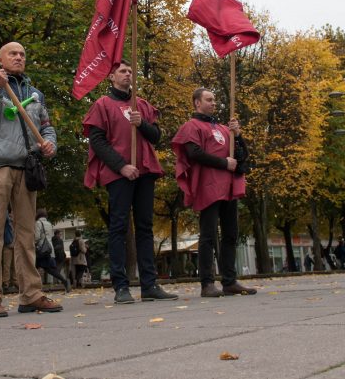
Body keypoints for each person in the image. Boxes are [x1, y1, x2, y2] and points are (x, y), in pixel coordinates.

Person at [0, 41, 61, 318]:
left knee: (26, 235)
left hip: (26, 167)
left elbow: (46, 126)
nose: (19, 57)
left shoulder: (34, 93)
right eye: (13, 53)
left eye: (22, 54)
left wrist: (50, 144)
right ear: (0, 59)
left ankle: (31, 294)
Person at [83, 59, 176, 304]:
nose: (128, 74)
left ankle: (149, 284)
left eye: (130, 71)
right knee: (119, 227)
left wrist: (141, 123)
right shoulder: (103, 104)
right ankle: (120, 286)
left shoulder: (142, 105)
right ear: (111, 77)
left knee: (145, 227)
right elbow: (98, 142)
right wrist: (122, 166)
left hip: (144, 171)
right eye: (123, 71)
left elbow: (156, 136)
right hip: (119, 173)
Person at [172, 88, 256, 297]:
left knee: (230, 234)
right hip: (209, 186)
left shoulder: (222, 128)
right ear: (197, 103)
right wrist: (222, 162)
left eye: (214, 100)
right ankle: (207, 283)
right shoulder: (192, 126)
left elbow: (241, 155)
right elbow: (194, 153)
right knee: (208, 234)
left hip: (227, 186)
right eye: (208, 100)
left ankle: (229, 281)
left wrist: (238, 136)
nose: (213, 103)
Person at [34, 209, 70, 291]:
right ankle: (64, 281)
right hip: (49, 250)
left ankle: (34, 287)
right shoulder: (49, 224)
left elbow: (37, 237)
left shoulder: (38, 223)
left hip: (41, 250)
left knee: (33, 267)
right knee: (50, 269)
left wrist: (32, 243)